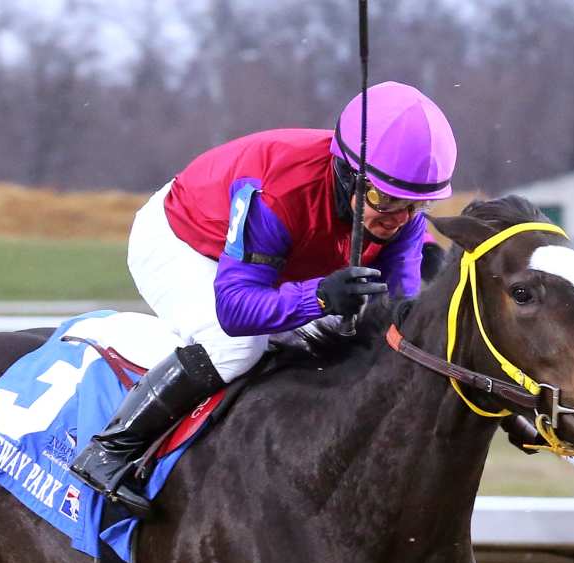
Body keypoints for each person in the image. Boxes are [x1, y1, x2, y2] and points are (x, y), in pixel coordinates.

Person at [69, 80, 458, 516]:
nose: (398, 219)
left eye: (414, 205)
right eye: (383, 200)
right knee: (238, 346)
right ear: (349, 173)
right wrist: (322, 298)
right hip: (187, 241)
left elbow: (396, 319)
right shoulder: (280, 191)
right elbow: (236, 310)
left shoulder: (398, 214)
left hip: (277, 259)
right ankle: (113, 447)